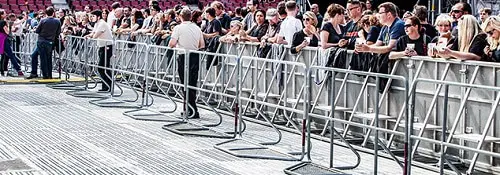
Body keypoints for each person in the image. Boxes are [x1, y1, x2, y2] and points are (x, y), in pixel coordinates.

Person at [169, 8, 204, 119]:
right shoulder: (197, 28)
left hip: (183, 56)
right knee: (192, 83)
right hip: (195, 55)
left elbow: (172, 43)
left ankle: (191, 110)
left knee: (185, 84)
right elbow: (201, 45)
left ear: (180, 17)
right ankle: (189, 108)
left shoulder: (178, 28)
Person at [27, 7, 61, 79]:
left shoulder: (43, 20)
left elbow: (37, 31)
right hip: (50, 42)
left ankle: (45, 75)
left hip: (42, 41)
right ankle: (47, 74)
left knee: (43, 59)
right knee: (47, 58)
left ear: (46, 13)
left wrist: (35, 29)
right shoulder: (57, 21)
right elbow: (58, 32)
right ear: (53, 13)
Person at [85, 10, 114, 91]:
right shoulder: (97, 24)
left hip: (107, 47)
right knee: (104, 67)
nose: (91, 18)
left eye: (93, 16)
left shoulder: (102, 23)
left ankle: (107, 86)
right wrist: (88, 35)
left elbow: (95, 35)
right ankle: (106, 86)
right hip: (102, 46)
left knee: (102, 67)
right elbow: (93, 33)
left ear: (98, 17)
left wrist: (91, 36)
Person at [0, 12, 23, 77]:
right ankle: (18, 70)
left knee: (4, 56)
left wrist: (23, 19)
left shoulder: (4, 21)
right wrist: (10, 33)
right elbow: (6, 31)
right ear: (1, 15)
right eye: (4, 13)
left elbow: (15, 23)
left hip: (1, 39)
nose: (6, 14)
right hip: (4, 39)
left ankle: (2, 71)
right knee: (11, 55)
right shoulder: (3, 22)